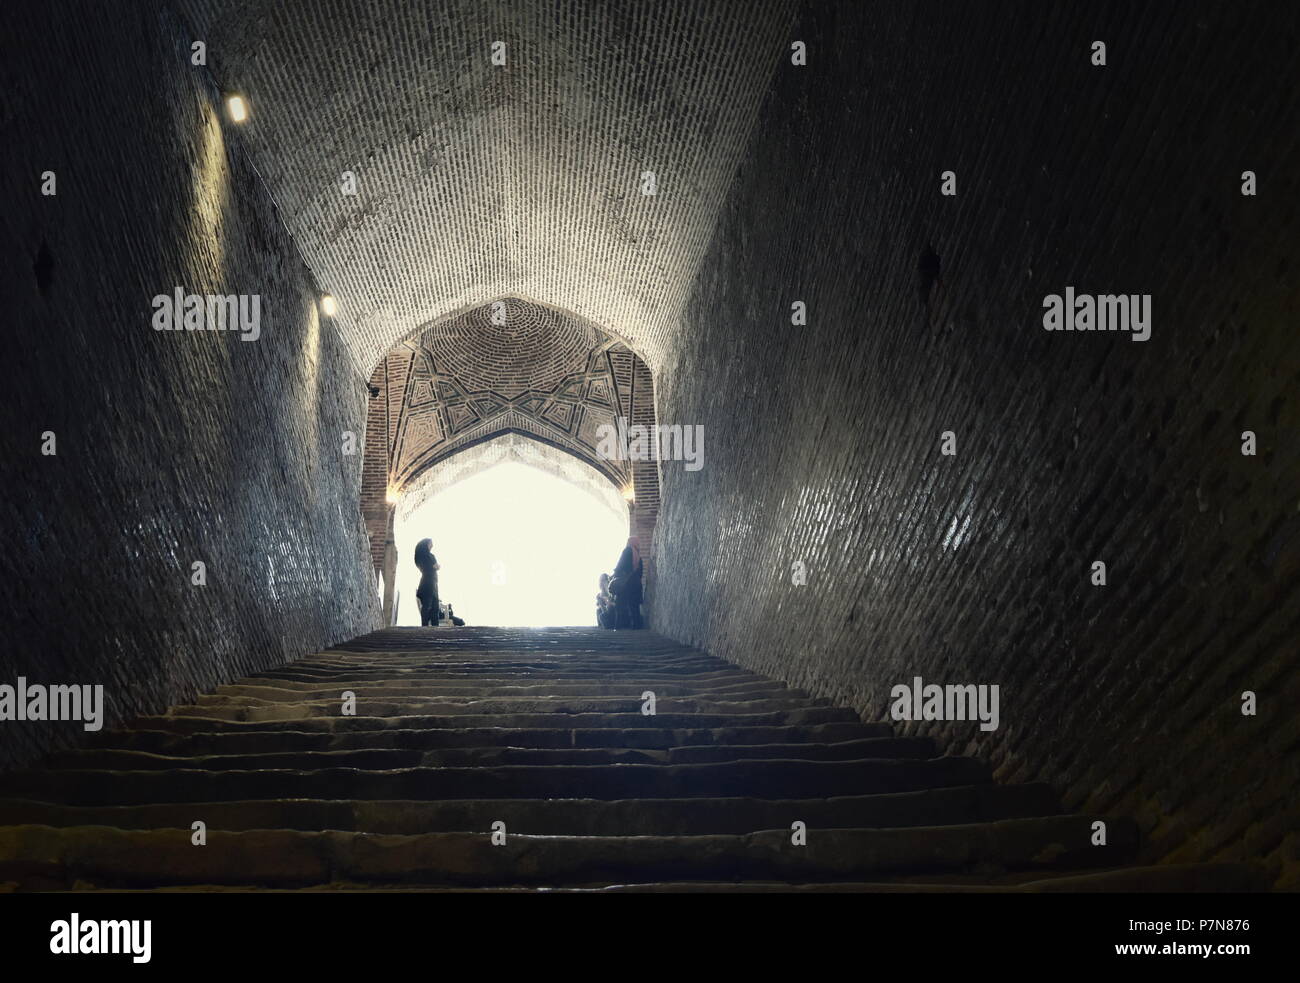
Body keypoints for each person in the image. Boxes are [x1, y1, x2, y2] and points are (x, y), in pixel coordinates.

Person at [610, 536, 644, 629]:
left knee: (620, 605)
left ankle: (619, 627)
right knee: (634, 606)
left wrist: (615, 574)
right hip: (636, 584)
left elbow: (620, 565)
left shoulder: (627, 551)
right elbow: (640, 573)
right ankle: (637, 626)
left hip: (625, 584)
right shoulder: (638, 556)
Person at [413, 538, 441, 627]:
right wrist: (434, 566)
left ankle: (435, 628)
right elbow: (427, 567)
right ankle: (424, 626)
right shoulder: (421, 555)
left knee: (435, 607)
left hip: (434, 583)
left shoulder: (431, 556)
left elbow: (436, 566)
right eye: (430, 543)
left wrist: (435, 566)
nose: (432, 545)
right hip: (427, 582)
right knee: (427, 605)